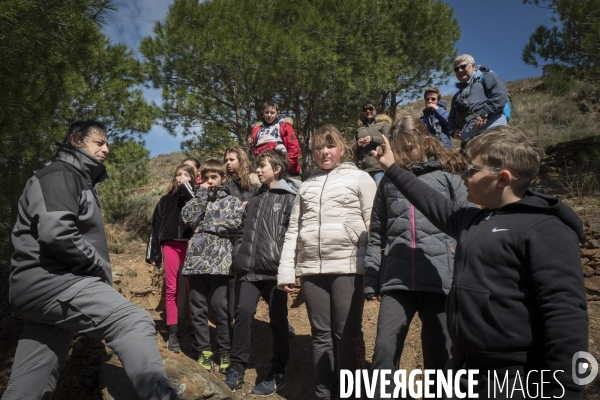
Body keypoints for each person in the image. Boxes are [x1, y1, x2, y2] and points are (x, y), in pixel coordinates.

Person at [372, 126, 588, 399]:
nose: (463, 175)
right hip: (466, 369)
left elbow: (565, 315)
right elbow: (429, 200)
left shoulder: (545, 229)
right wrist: (391, 167)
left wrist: (566, 390)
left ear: (503, 178)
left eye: (472, 170)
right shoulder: (471, 221)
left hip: (514, 380)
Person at [3, 121, 180, 400]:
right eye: (99, 143)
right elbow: (58, 233)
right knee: (132, 321)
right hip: (55, 283)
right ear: (75, 141)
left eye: (107, 144)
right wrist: (97, 269)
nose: (107, 149)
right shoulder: (60, 175)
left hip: (38, 289)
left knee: (29, 384)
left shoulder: (75, 178)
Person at [363, 115, 470, 398]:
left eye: (408, 149)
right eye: (397, 151)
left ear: (425, 142)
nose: (403, 156)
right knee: (384, 354)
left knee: (440, 357)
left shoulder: (449, 178)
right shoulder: (388, 183)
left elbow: (469, 229)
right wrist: (372, 277)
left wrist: (466, 276)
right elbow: (377, 235)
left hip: (441, 278)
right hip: (397, 281)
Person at [278, 125, 377, 400]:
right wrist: (287, 270)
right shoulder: (306, 185)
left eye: (330, 145)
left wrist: (375, 268)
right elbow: (293, 230)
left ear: (341, 149)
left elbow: (374, 224)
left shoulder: (360, 178)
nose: (324, 151)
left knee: (347, 333)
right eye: (319, 147)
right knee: (320, 334)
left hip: (348, 266)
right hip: (311, 269)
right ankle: (324, 391)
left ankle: (354, 391)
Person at [225, 149, 300, 395]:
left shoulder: (290, 198)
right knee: (243, 314)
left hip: (276, 272)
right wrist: (239, 255)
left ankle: (278, 372)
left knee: (278, 322)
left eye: (262, 166)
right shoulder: (255, 199)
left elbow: (293, 235)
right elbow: (242, 231)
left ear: (277, 169)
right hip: (249, 270)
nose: (258, 170)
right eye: (257, 166)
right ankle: (236, 368)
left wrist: (288, 268)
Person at [181, 159, 244, 374]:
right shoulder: (196, 199)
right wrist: (200, 197)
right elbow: (189, 220)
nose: (209, 182)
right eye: (206, 178)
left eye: (214, 177)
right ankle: (205, 351)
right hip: (195, 263)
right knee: (198, 310)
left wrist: (205, 227)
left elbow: (234, 225)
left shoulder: (232, 202)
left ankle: (225, 351)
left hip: (220, 263)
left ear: (223, 178)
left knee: (220, 308)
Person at [146, 164, 197, 353]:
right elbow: (156, 226)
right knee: (171, 288)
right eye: (178, 175)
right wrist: (154, 254)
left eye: (186, 175)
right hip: (170, 244)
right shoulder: (166, 200)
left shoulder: (196, 196)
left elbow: (199, 208)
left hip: (191, 244)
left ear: (193, 177)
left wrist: (187, 188)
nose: (181, 178)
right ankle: (173, 331)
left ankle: (194, 325)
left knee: (193, 286)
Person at [448, 54, 508, 148]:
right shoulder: (456, 97)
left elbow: (500, 94)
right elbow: (451, 119)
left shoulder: (486, 77)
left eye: (463, 66)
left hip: (491, 131)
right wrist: (453, 131)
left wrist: (486, 113)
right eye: (456, 69)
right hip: (469, 139)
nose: (459, 70)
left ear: (473, 66)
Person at [252, 100, 301, 176]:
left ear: (278, 113)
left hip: (279, 165)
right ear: (262, 113)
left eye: (272, 113)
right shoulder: (257, 129)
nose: (269, 115)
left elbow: (293, 147)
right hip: (262, 164)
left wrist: (287, 166)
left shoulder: (284, 126)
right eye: (266, 112)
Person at [355, 99, 392, 185]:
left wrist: (372, 139)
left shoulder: (384, 124)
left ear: (376, 109)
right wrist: (358, 145)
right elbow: (354, 151)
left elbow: (389, 141)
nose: (368, 111)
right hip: (361, 169)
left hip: (378, 167)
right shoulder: (359, 128)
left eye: (370, 108)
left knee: (381, 194)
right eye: (365, 109)